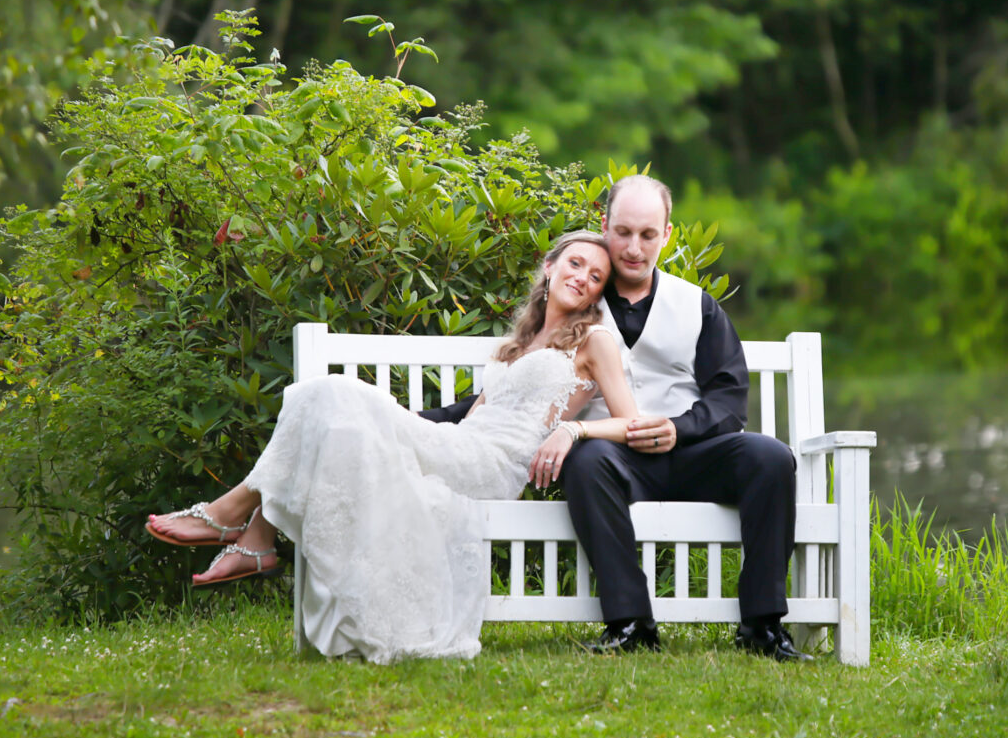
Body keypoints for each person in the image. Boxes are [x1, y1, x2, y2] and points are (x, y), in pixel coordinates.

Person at [144, 230, 651, 664]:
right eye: (575, 263)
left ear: (597, 294)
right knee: (331, 411)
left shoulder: (594, 342)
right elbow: (477, 417)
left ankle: (234, 518)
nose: (582, 277)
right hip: (462, 445)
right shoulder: (519, 344)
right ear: (549, 267)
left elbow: (630, 421)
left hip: (493, 466)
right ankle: (254, 540)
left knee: (330, 392)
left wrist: (574, 430)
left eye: (596, 276)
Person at [424, 175, 809, 661]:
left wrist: (678, 428)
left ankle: (763, 625)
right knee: (586, 462)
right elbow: (505, 395)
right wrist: (423, 421)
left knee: (772, 457)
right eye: (623, 232)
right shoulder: (578, 300)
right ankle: (630, 624)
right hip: (614, 458)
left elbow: (728, 399)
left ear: (667, 234)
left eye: (647, 235)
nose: (633, 247)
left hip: (692, 452)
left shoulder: (696, 307)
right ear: (605, 226)